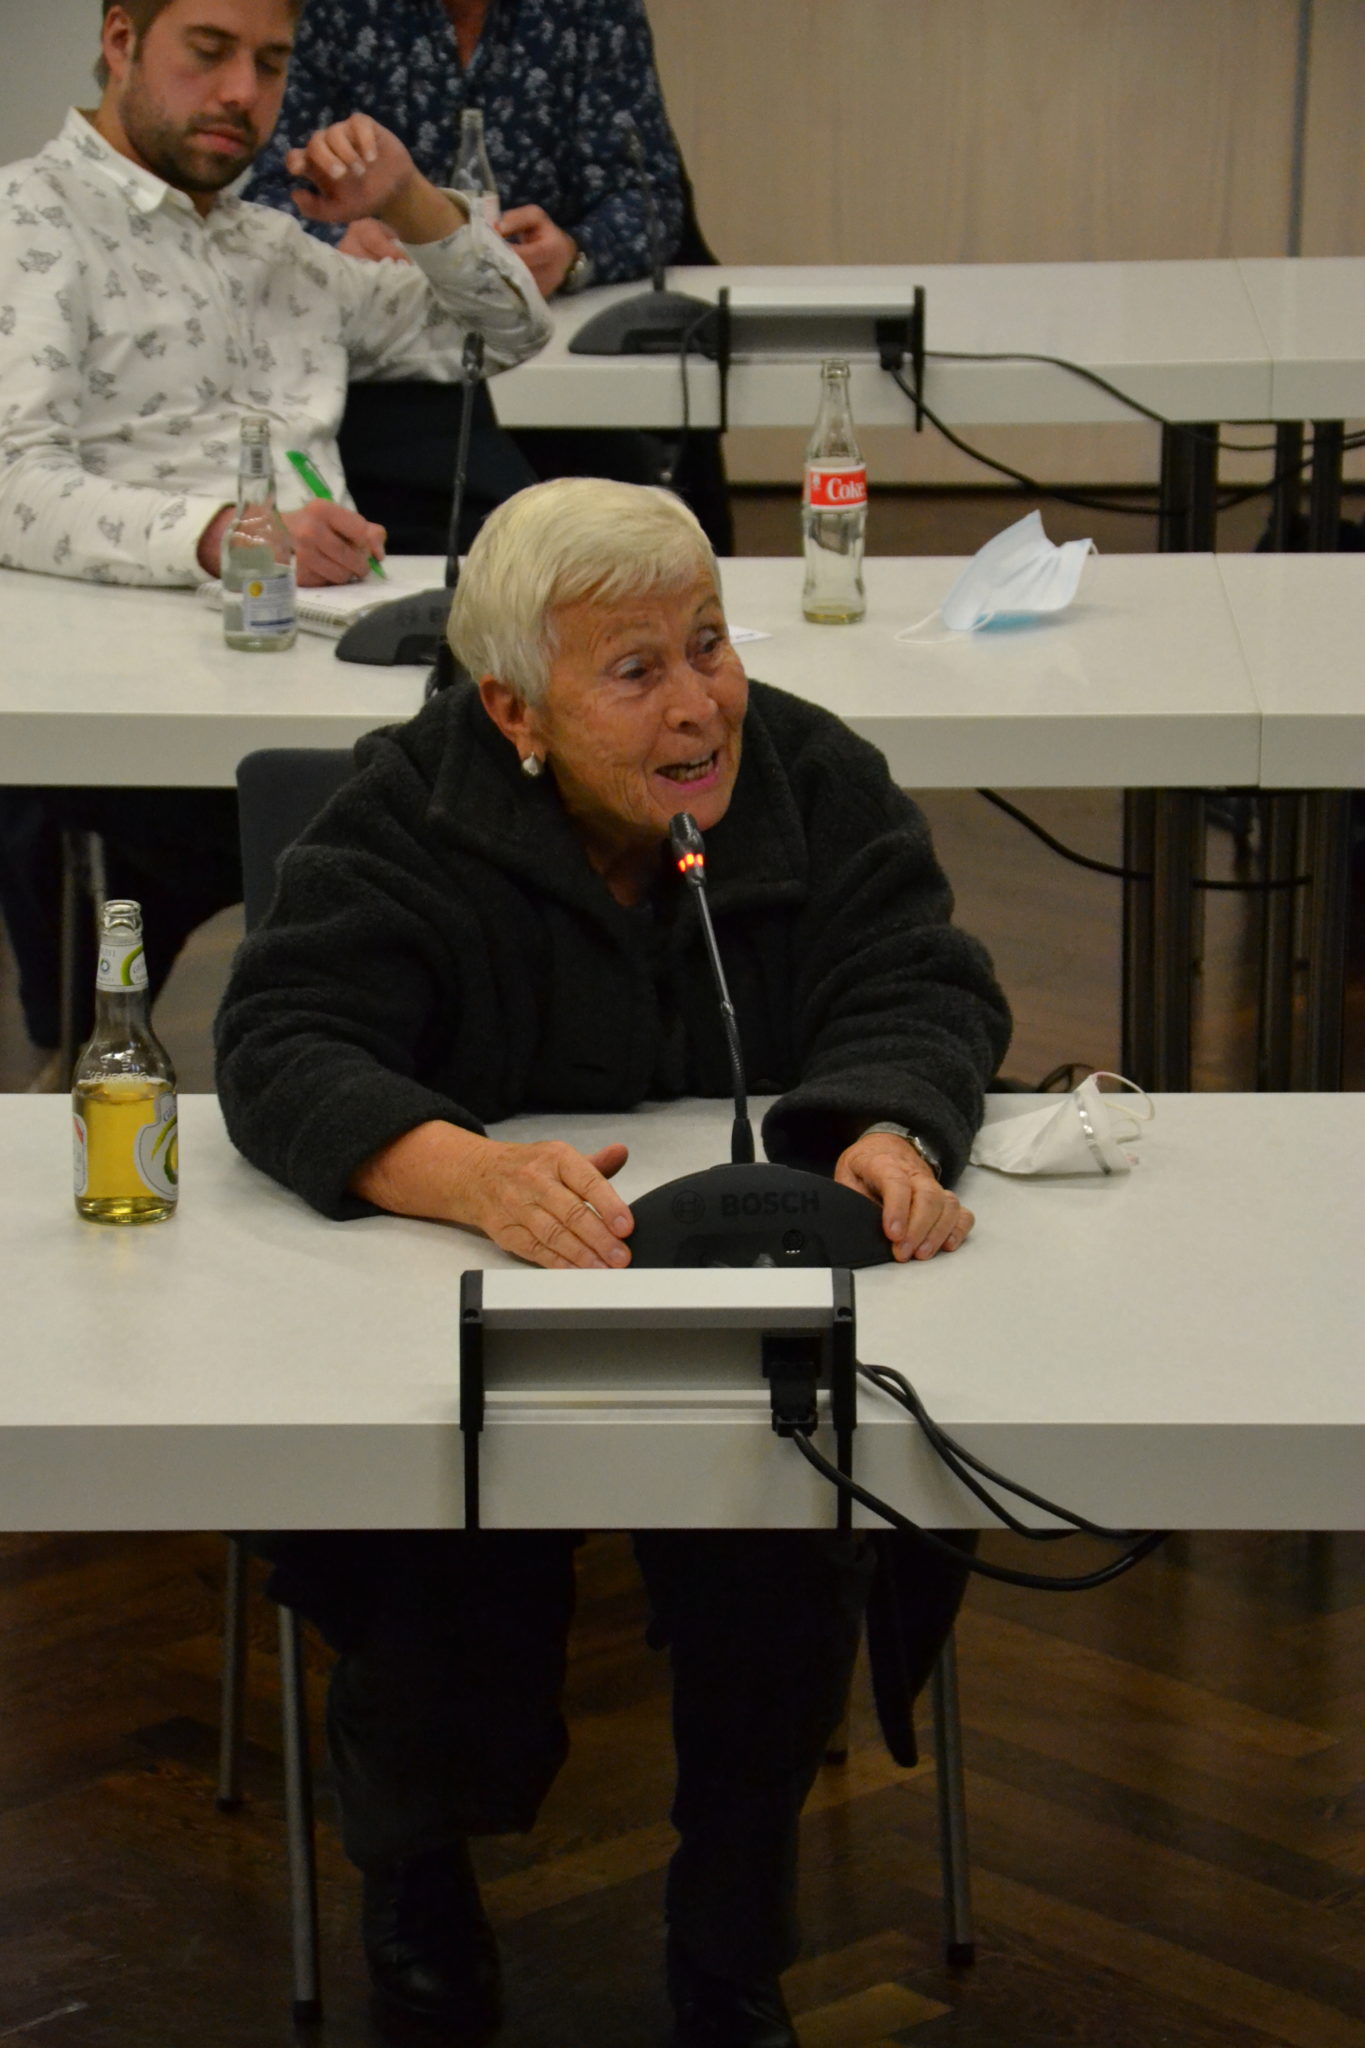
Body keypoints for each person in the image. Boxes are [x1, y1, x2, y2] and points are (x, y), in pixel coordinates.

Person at [215, 477, 1012, 2047]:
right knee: (440, 1533)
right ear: (512, 708)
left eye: (707, 644)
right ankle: (417, 1872)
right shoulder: (410, 807)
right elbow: (282, 1041)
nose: (699, 704)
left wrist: (886, 1125)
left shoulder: (812, 776)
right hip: (483, 1315)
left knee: (787, 1527)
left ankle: (733, 1926)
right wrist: (464, 1175)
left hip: (744, 1304)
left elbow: (922, 980)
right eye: (635, 671)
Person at [0, 0, 550, 1071]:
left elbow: (508, 327)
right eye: (208, 53)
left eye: (269, 63)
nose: (242, 94)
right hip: (135, 698)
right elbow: (13, 481)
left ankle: (394, 1075)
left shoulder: (277, 248)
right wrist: (224, 533)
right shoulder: (29, 222)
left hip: (331, 675)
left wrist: (408, 198)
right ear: (120, 42)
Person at [246, 0, 733, 556]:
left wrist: (574, 253)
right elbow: (263, 195)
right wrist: (336, 238)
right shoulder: (328, 12)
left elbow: (651, 199)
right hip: (387, 370)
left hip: (552, 345)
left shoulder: (593, 10)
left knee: (614, 538)